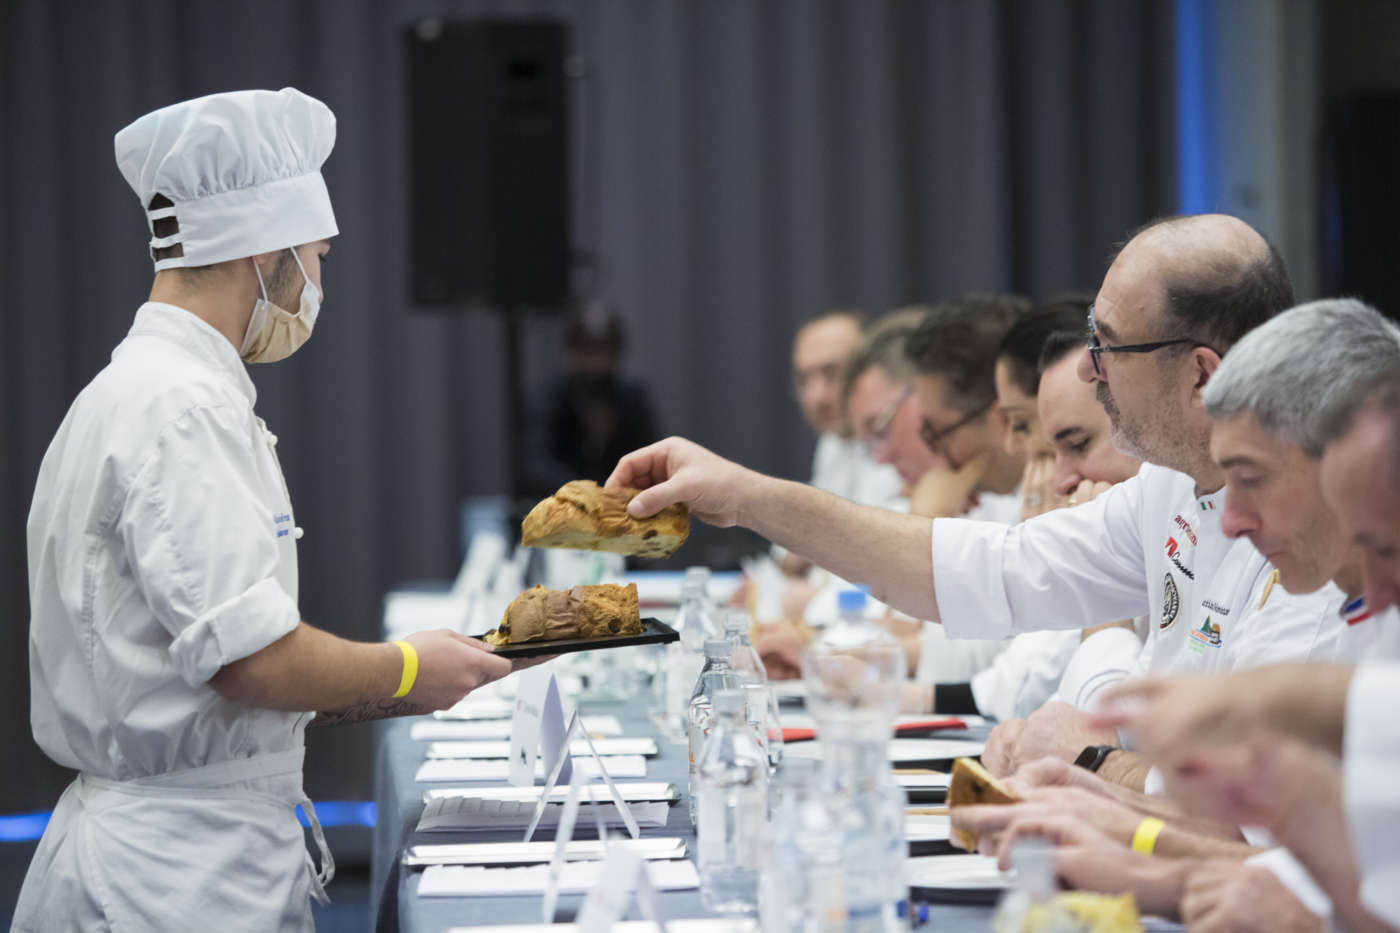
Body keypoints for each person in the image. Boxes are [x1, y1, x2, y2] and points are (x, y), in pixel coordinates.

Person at [16, 89, 527, 932]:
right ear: (266, 252)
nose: (319, 280)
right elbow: (249, 663)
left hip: (179, 854)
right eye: (318, 255)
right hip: (173, 883)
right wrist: (403, 668)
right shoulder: (184, 410)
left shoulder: (136, 392)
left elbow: (207, 680)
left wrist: (427, 677)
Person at [606, 213, 1342, 791]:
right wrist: (749, 497)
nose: (1089, 368)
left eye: (1108, 345)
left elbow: (1257, 814)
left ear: (1201, 375)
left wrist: (1086, 756)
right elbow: (988, 568)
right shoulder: (1169, 486)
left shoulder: (1312, 536)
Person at [960, 299, 1400, 931]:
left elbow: (1299, 880)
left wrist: (1122, 814)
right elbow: (1321, 877)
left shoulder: (1329, 590)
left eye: (1250, 478)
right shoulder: (1362, 598)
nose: (1230, 518)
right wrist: (1110, 813)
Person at [525, 302, 661, 495]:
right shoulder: (549, 399)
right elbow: (536, 466)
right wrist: (588, 493)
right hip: (564, 507)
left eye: (601, 351)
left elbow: (653, 458)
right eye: (585, 351)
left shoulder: (632, 399)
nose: (593, 363)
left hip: (623, 507)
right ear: (568, 352)